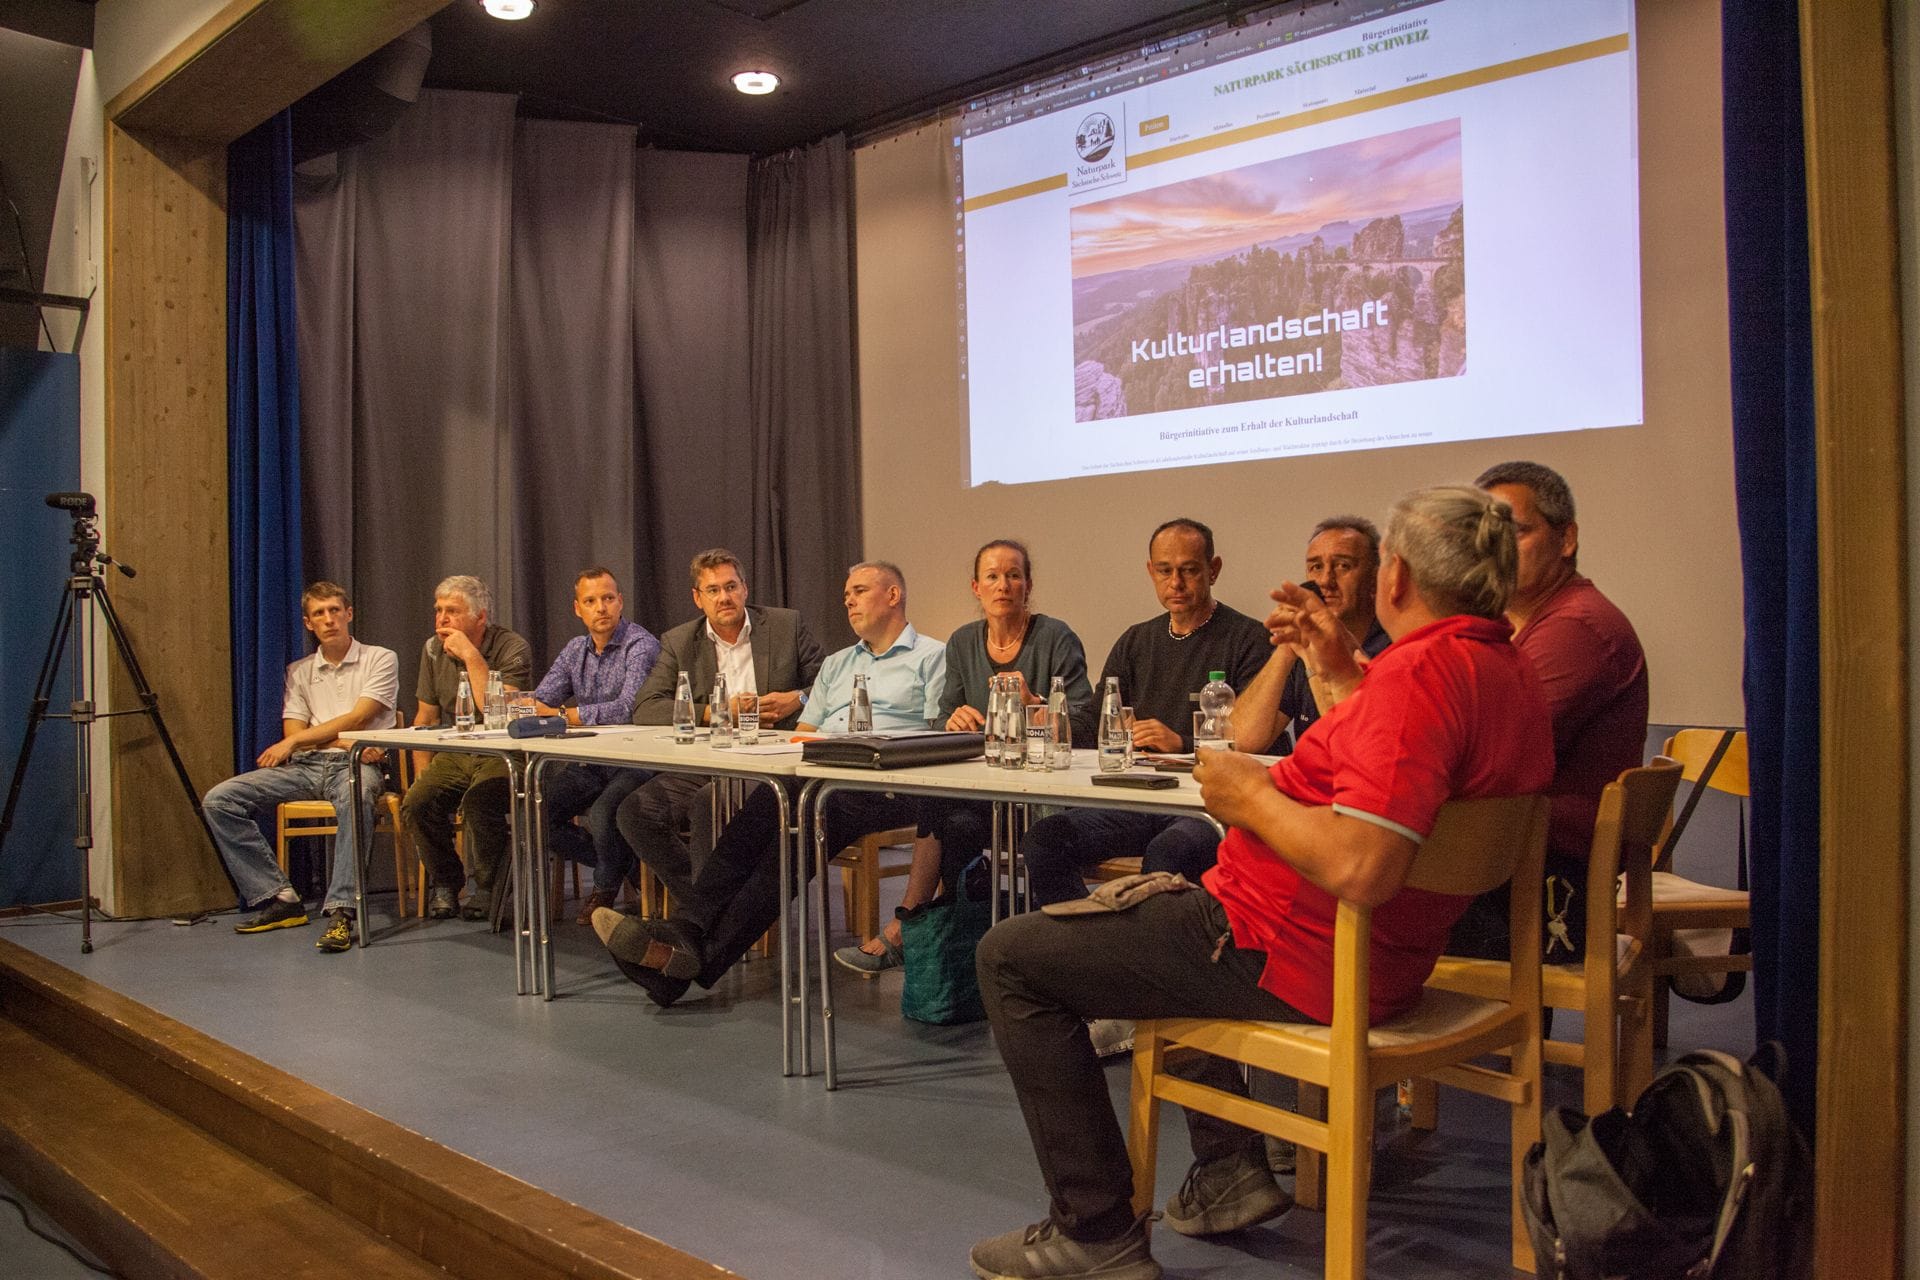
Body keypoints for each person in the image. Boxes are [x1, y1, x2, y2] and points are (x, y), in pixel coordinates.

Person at [967, 486, 1554, 1280]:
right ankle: (1230, 1170)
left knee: (1012, 955)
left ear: (1397, 578)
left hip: (1289, 950)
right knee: (1154, 918)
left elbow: (1361, 864)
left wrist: (1253, 798)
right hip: (1359, 950)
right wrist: (1336, 666)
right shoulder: (1498, 664)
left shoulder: (1422, 679)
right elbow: (1384, 761)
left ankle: (1096, 1228)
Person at [597, 562, 945, 1008]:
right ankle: (686, 944)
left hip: (889, 782)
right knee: (766, 804)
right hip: (821, 772)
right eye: (846, 595)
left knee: (804, 829)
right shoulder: (837, 664)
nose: (849, 601)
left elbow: (939, 735)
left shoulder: (933, 656)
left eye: (859, 591)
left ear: (893, 595)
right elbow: (805, 731)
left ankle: (688, 953)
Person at [1448, 461, 1650, 962]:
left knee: (1342, 893)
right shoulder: (1509, 624)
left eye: (1514, 532)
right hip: (1514, 861)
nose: (1495, 551)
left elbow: (1482, 753)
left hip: (1545, 885)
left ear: (1566, 539)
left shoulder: (1575, 627)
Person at [616, 548, 825, 906]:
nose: (724, 597)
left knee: (710, 805)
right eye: (713, 590)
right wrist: (715, 712)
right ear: (698, 598)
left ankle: (706, 919)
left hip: (770, 759)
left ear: (745, 589)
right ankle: (710, 905)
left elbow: (830, 683)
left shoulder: (784, 625)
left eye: (731, 587)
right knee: (635, 812)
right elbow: (646, 708)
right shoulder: (680, 641)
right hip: (710, 757)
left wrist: (799, 699)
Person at [202, 582, 399, 953]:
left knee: (355, 797)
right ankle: (280, 898)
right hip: (308, 767)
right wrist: (326, 739)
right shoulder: (300, 671)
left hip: (356, 764)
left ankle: (342, 911)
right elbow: (296, 729)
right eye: (320, 614)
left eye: (335, 611)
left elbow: (361, 716)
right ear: (309, 623)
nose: (329, 620)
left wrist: (299, 741)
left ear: (349, 613)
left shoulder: (380, 658)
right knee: (219, 800)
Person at [529, 567, 661, 924]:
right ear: (578, 609)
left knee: (604, 815)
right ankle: (625, 866)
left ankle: (603, 888)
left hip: (637, 760)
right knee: (536, 815)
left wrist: (563, 714)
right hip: (591, 762)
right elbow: (540, 699)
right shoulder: (576, 650)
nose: (600, 607)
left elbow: (629, 708)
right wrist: (532, 706)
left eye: (607, 598)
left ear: (620, 602)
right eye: (591, 601)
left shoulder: (640, 644)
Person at [399, 574, 533, 922]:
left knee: (480, 801)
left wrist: (471, 655)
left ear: (480, 617)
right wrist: (422, 774)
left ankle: (490, 887)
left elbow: (498, 712)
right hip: (458, 750)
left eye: (453, 611)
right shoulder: (432, 649)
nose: (442, 619)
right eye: (438, 610)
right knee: (417, 802)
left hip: (505, 750)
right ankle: (446, 882)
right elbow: (425, 717)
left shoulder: (511, 646)